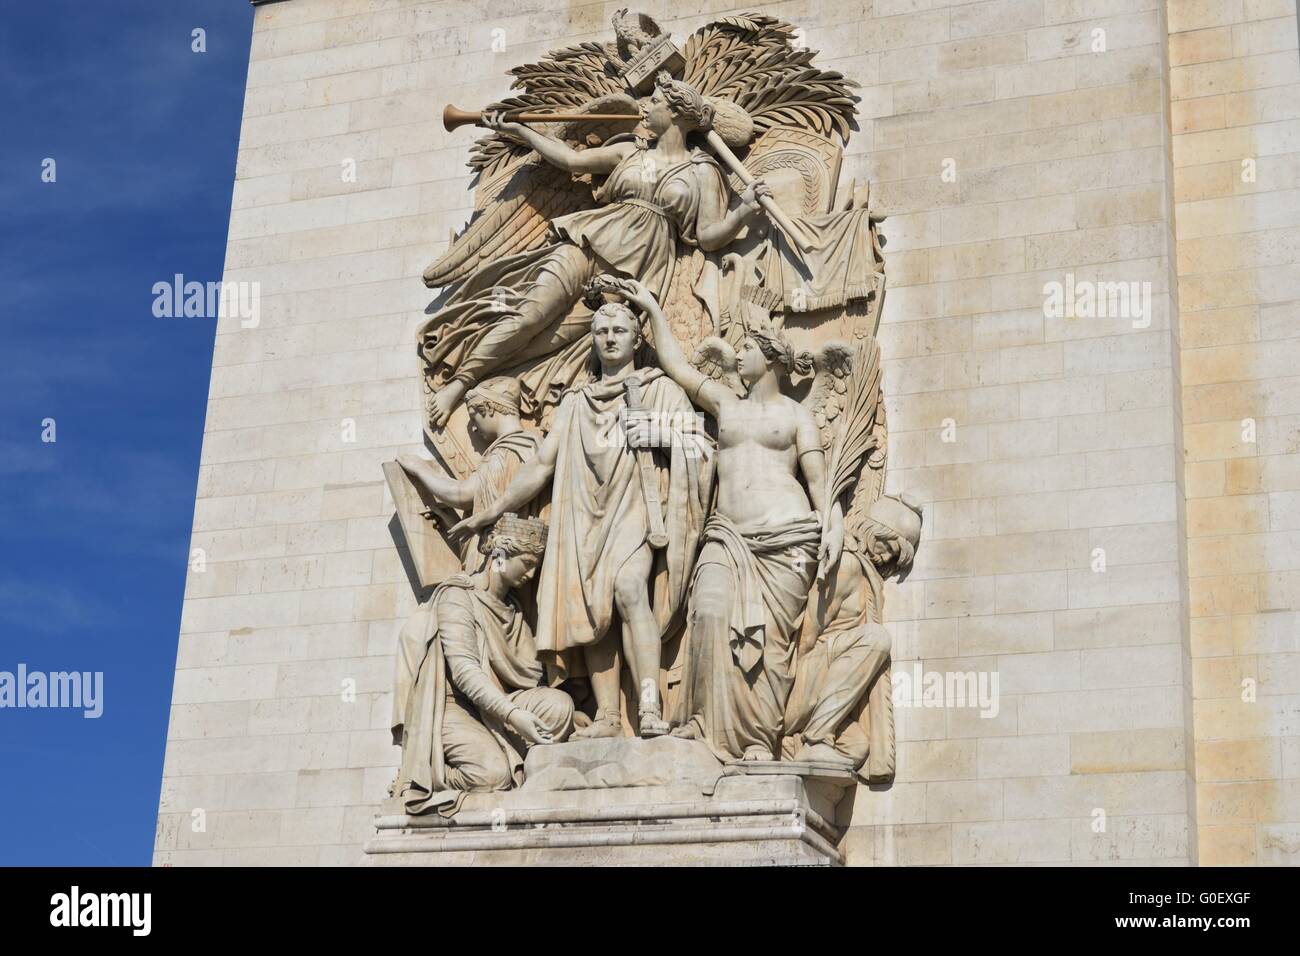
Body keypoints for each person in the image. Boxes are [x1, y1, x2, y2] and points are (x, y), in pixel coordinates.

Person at [422, 71, 772, 425]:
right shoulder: (628, 151)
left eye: (656, 102)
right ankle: (460, 382)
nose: (646, 108)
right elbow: (572, 161)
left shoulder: (702, 172)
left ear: (678, 113)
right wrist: (522, 132)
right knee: (532, 314)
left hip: (631, 272)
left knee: (553, 339)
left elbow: (709, 235)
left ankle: (492, 379)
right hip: (587, 242)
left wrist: (742, 210)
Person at [603, 275, 844, 762]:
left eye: (747, 349)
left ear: (770, 355)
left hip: (785, 539)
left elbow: (820, 482)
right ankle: (701, 723)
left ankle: (756, 739)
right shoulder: (724, 404)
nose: (737, 357)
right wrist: (652, 306)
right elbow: (675, 365)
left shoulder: (798, 416)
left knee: (769, 649)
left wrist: (832, 523)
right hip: (727, 535)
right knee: (708, 613)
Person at [451, 300, 710, 738]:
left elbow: (700, 445)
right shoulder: (575, 401)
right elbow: (541, 466)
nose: (610, 338)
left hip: (636, 509)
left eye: (619, 331)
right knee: (591, 611)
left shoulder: (657, 390)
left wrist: (660, 433)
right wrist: (492, 512)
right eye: (601, 331)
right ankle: (609, 715)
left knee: (629, 590)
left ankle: (649, 705)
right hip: (583, 516)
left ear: (636, 338)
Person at [390, 515, 573, 814]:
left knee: (559, 706)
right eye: (527, 562)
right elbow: (465, 673)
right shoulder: (458, 597)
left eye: (536, 565)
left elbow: (530, 675)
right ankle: (425, 771)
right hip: (453, 707)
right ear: (500, 554)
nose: (532, 572)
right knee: (492, 774)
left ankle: (505, 745)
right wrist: (515, 715)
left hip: (495, 705)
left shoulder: (514, 609)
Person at [397, 376, 543, 568]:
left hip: (499, 563)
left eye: (474, 416)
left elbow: (461, 494)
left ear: (489, 408)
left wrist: (420, 469)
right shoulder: (533, 445)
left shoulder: (506, 451)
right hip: (512, 561)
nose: (474, 427)